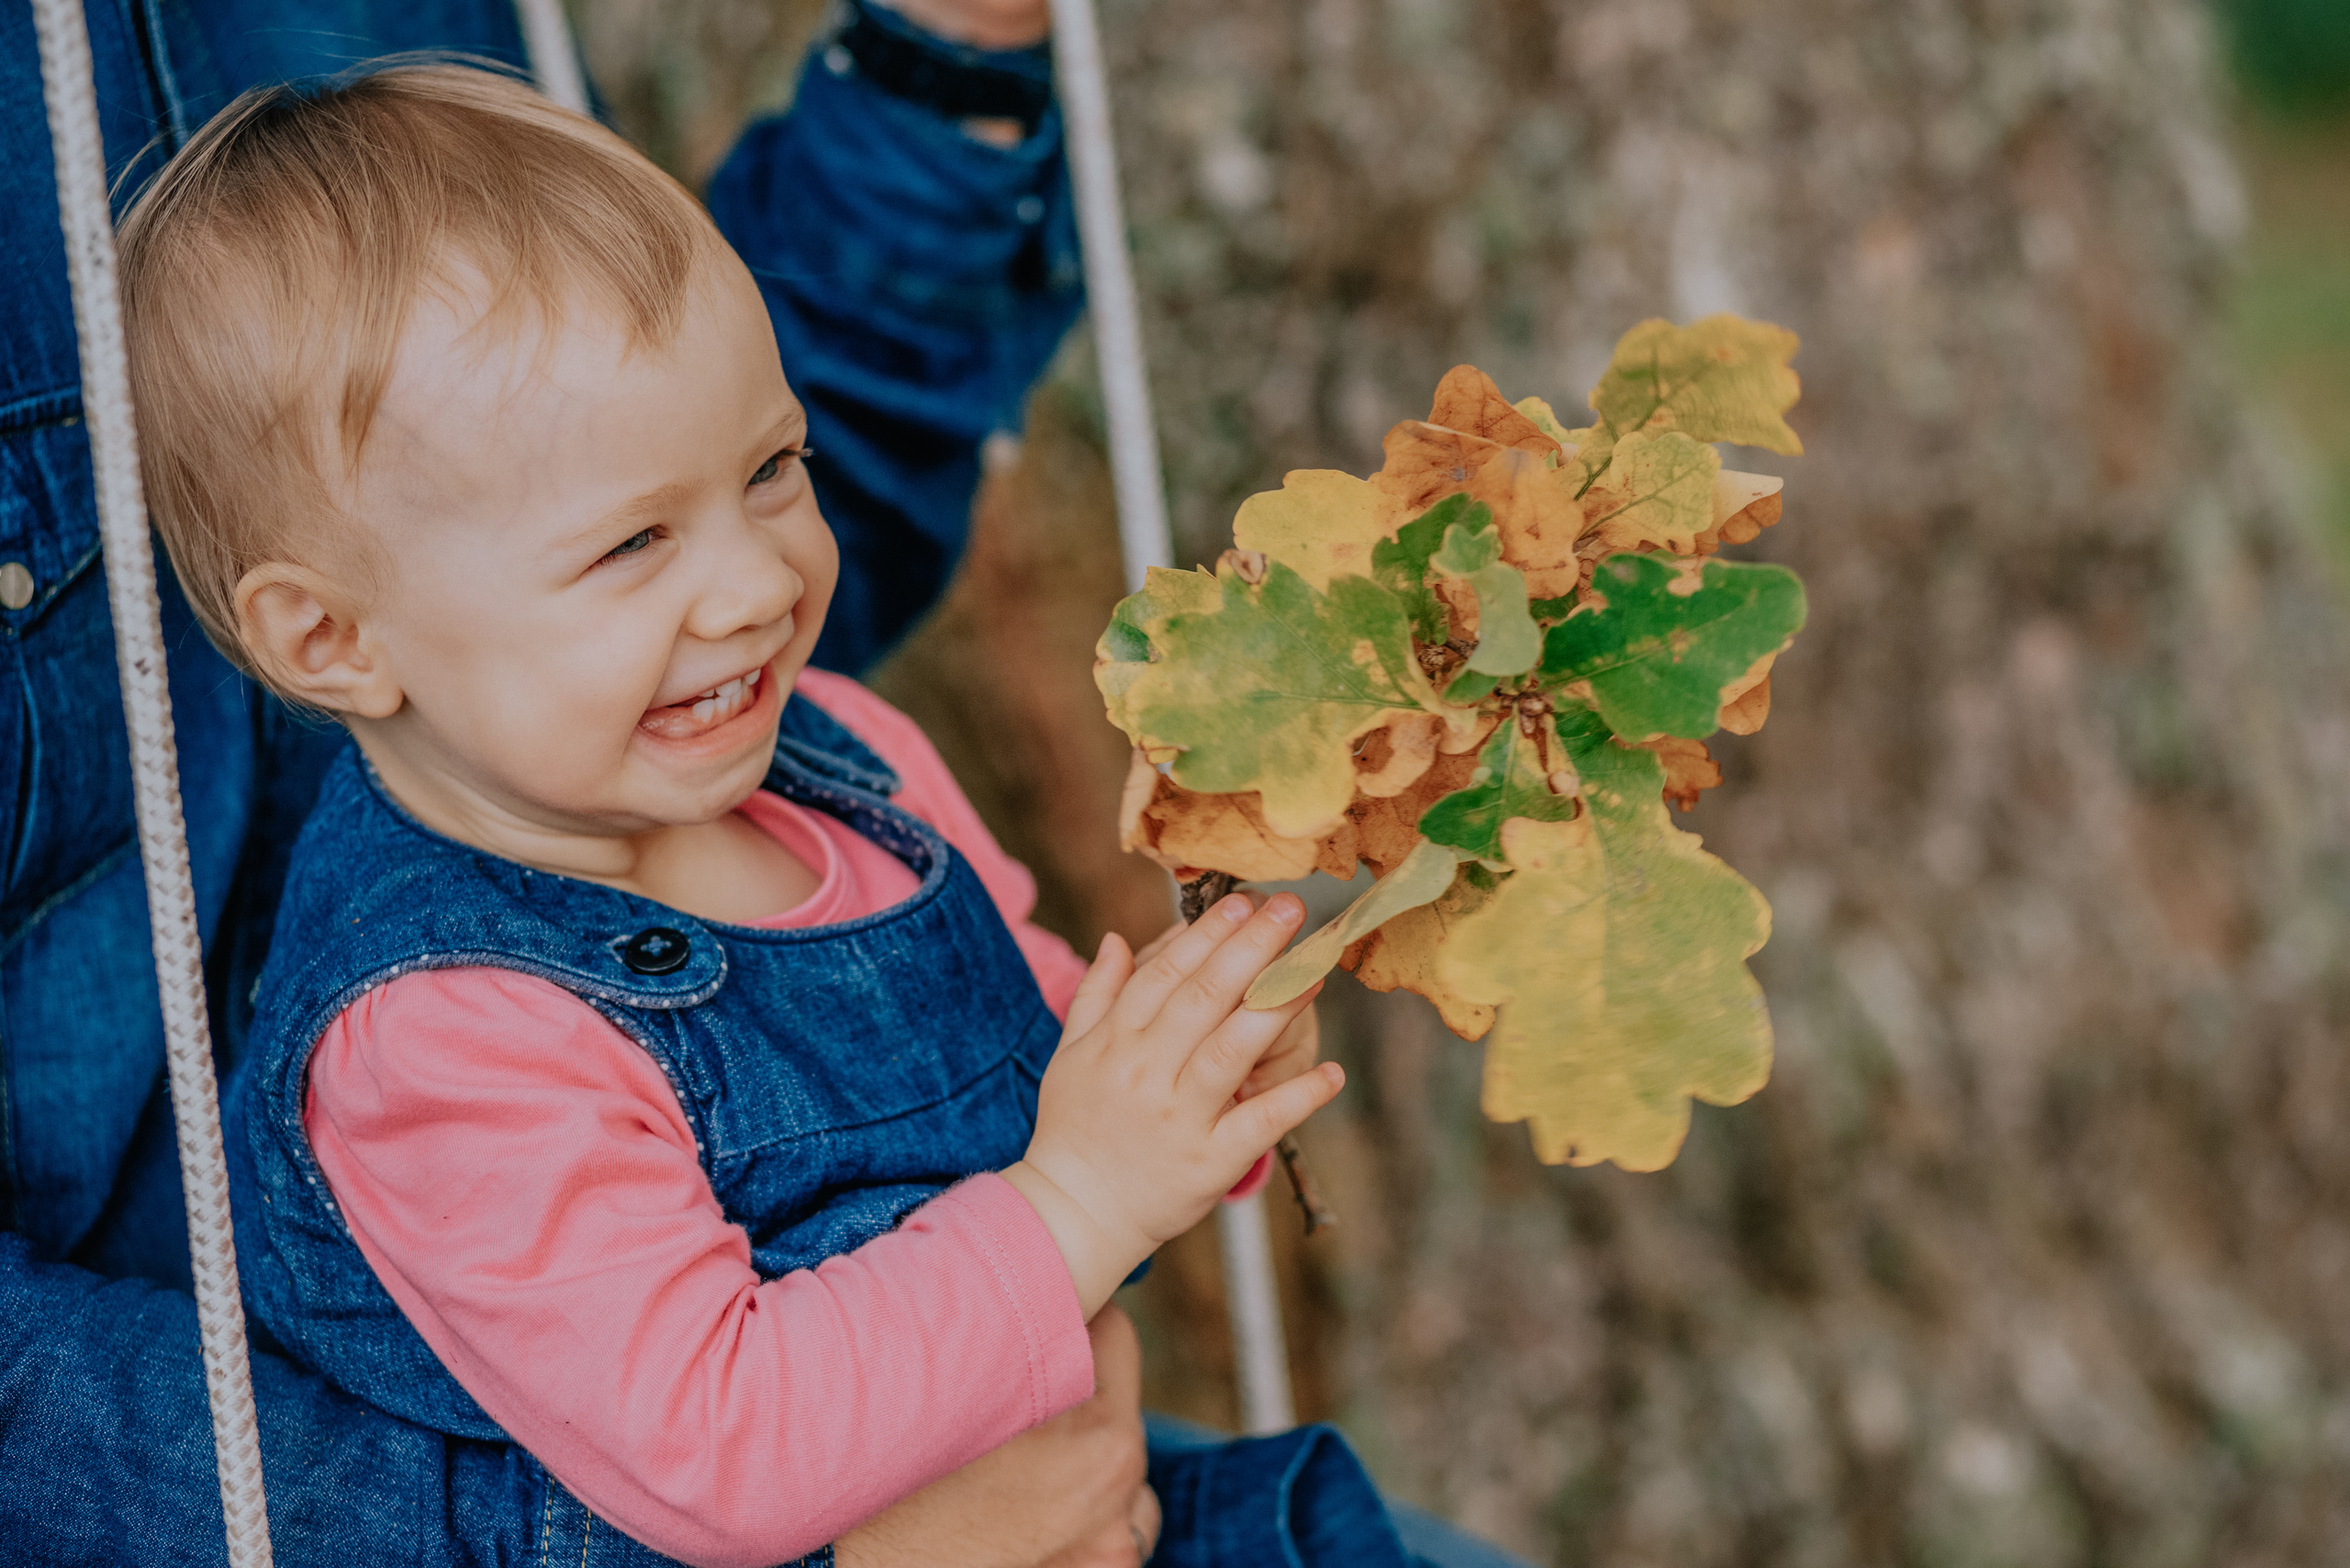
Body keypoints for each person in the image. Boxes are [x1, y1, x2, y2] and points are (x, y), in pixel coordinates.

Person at [118, 59, 1427, 1568]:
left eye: (771, 468)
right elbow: (721, 1444)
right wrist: (1082, 1199)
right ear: (334, 641)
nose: (756, 584)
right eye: (629, 546)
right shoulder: (444, 1035)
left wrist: (1197, 1086)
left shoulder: (847, 765)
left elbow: (1044, 1054)